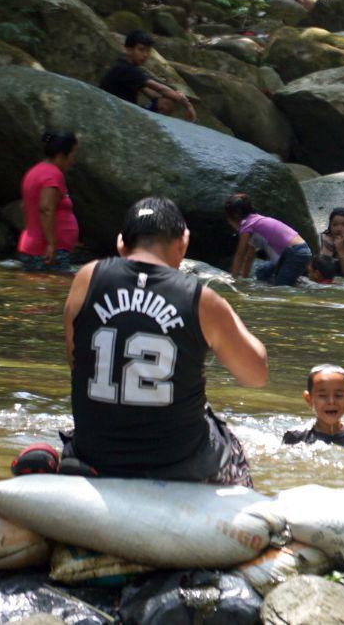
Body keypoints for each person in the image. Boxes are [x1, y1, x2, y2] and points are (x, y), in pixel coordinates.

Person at [60, 197, 266, 485]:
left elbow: (74, 358)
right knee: (230, 444)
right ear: (183, 243)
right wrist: (221, 310)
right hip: (177, 462)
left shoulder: (87, 277)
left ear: (121, 244)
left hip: (95, 454)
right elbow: (256, 374)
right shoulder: (200, 299)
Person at [17, 131, 80, 273]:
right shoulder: (53, 174)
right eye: (72, 154)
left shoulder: (34, 171)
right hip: (47, 250)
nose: (73, 160)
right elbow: (45, 208)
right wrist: (51, 244)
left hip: (32, 245)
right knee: (53, 292)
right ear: (61, 155)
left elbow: (24, 207)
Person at [99, 31, 196, 121]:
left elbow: (152, 93)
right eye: (141, 50)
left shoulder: (127, 68)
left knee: (167, 100)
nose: (145, 55)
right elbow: (160, 89)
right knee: (168, 100)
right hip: (113, 114)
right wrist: (187, 105)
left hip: (122, 110)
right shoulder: (125, 69)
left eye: (148, 51)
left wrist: (174, 95)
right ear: (129, 50)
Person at [226, 194, 312, 287]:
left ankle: (293, 283)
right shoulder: (255, 221)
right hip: (296, 251)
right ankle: (292, 280)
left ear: (235, 216)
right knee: (262, 272)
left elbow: (240, 254)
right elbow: (249, 256)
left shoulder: (246, 226)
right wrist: (244, 281)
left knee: (281, 287)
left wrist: (233, 280)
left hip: (294, 253)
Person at [283, 364, 344, 447]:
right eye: (322, 395)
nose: (331, 401)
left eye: (338, 395)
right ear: (308, 399)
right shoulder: (296, 436)